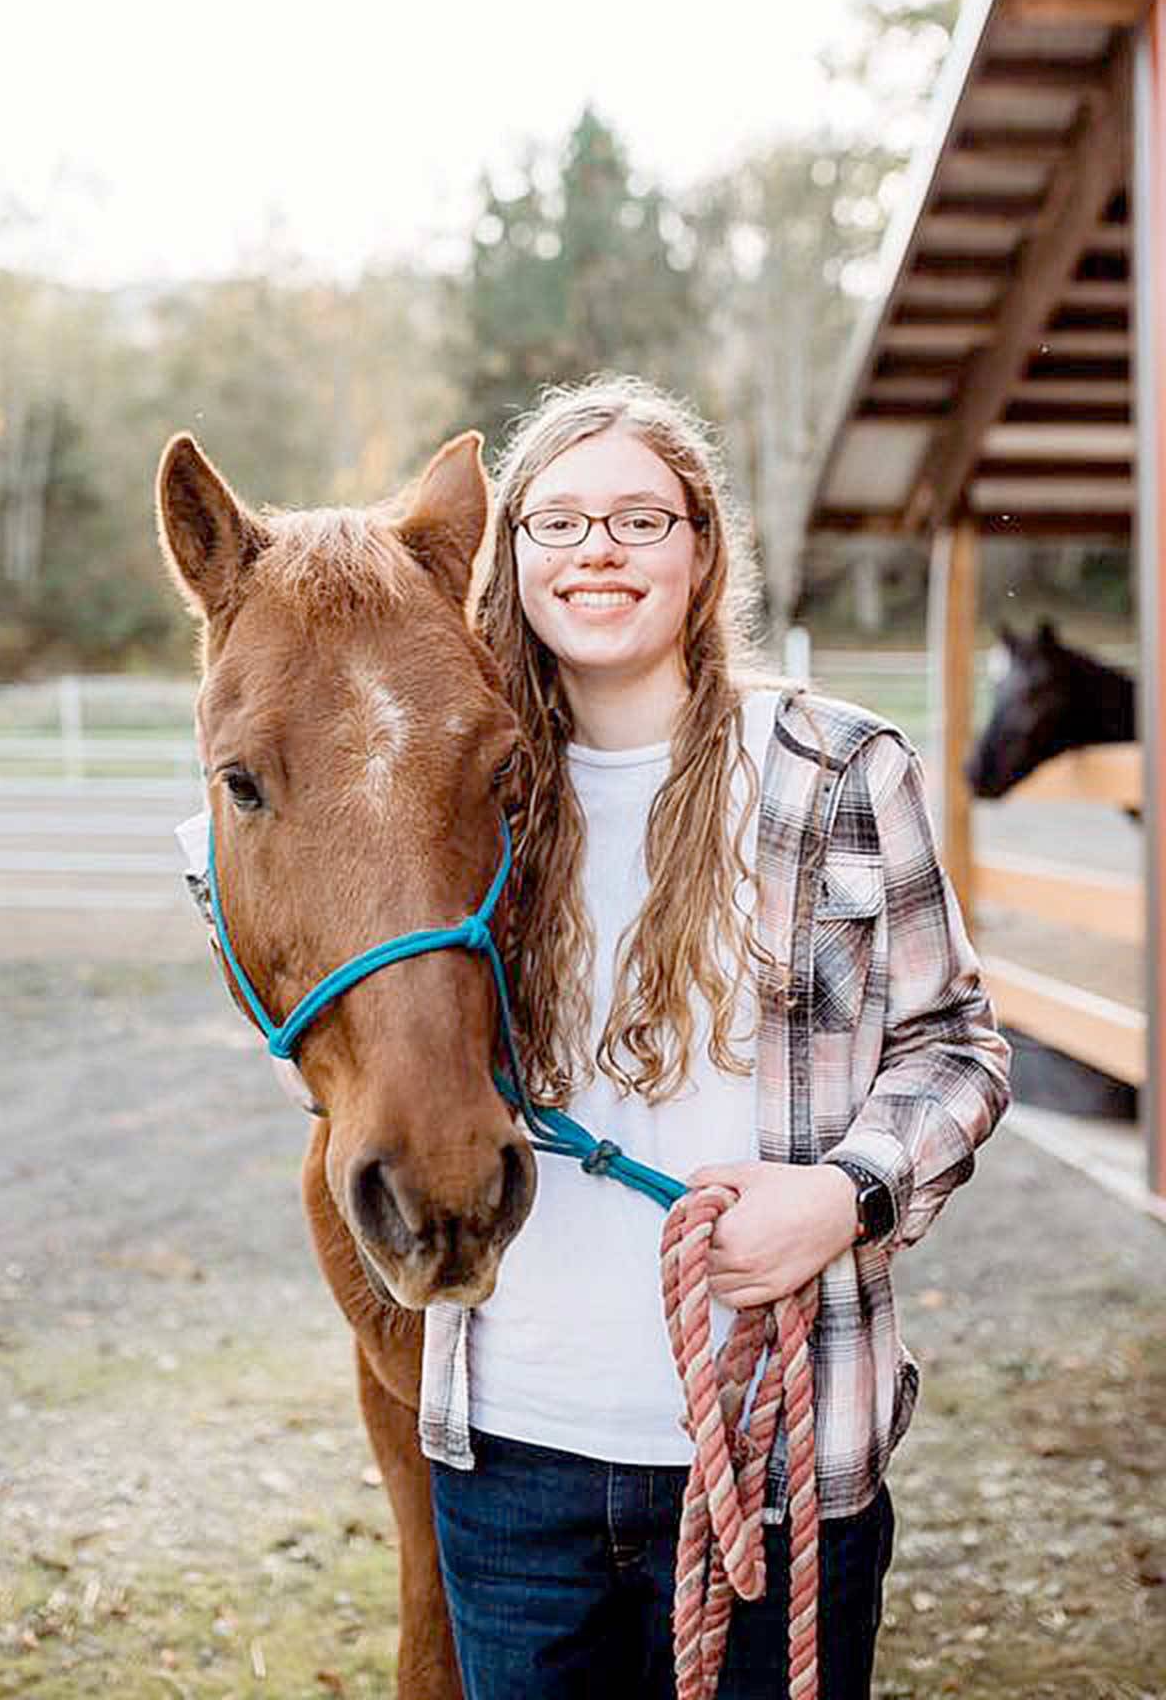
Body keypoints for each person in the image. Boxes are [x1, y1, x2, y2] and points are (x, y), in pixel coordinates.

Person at [419, 375, 1011, 1700]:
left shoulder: (838, 769)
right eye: (557, 523)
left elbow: (958, 1050)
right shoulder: (464, 789)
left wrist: (845, 1195)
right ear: (511, 555)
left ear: (702, 547)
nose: (598, 553)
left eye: (640, 517)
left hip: (781, 1446)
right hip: (514, 1457)